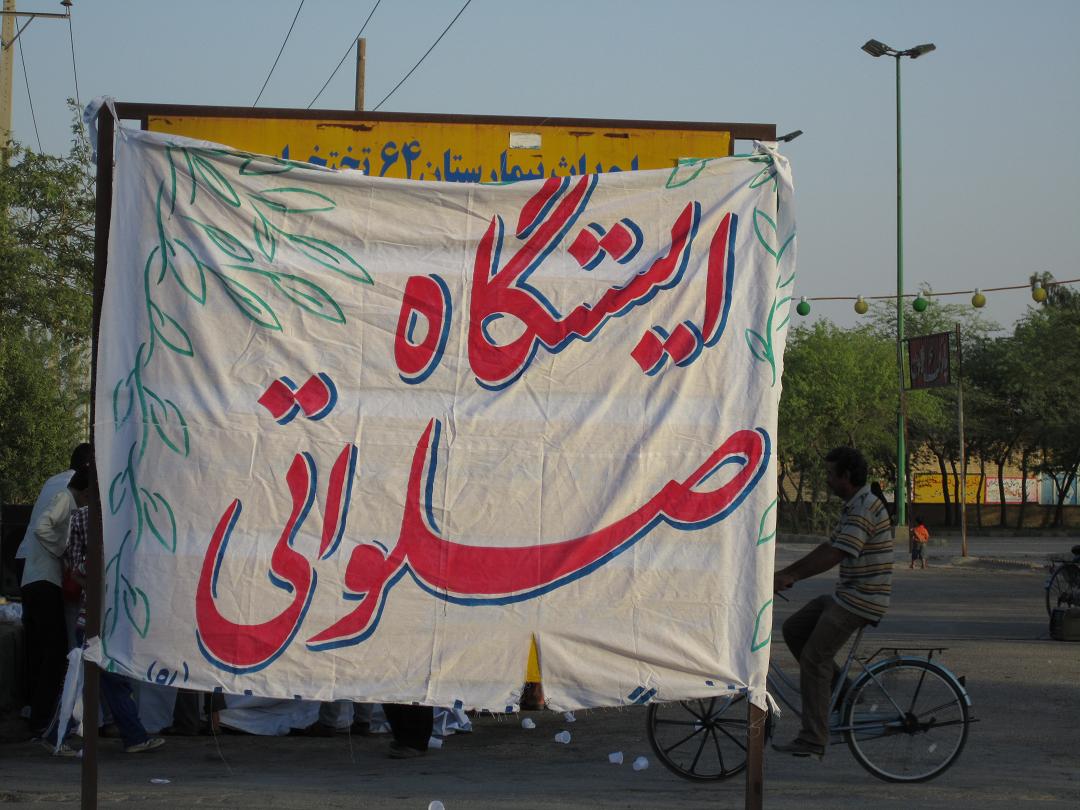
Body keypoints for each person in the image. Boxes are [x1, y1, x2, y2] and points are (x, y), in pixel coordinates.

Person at [772, 447, 893, 760]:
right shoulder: (853, 505)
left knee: (814, 658)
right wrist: (784, 574)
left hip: (862, 600)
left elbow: (835, 554)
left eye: (829, 474)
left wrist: (790, 575)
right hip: (847, 595)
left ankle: (813, 737)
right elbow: (828, 546)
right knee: (794, 629)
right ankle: (845, 692)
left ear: (846, 476)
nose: (826, 480)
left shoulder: (864, 507)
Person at [42, 504, 165, 756]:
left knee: (92, 681)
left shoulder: (90, 526)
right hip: (100, 623)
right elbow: (82, 569)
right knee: (99, 681)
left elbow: (76, 570)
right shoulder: (114, 538)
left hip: (95, 620)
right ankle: (132, 737)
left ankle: (131, 736)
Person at [18, 444, 92, 734]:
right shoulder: (65, 496)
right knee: (56, 651)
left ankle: (37, 714)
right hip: (43, 580)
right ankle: (42, 720)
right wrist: (63, 550)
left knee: (43, 650)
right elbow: (42, 528)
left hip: (34, 576)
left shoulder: (55, 484)